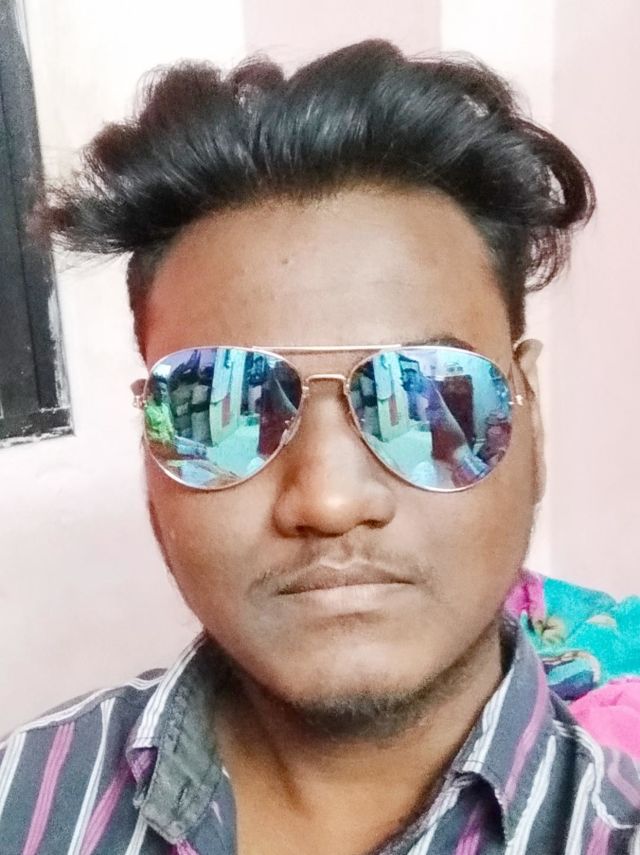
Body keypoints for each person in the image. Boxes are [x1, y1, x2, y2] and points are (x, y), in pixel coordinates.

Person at [1, 40, 638, 855]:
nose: (329, 500)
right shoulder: (21, 800)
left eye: (427, 397)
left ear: (531, 417)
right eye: (224, 406)